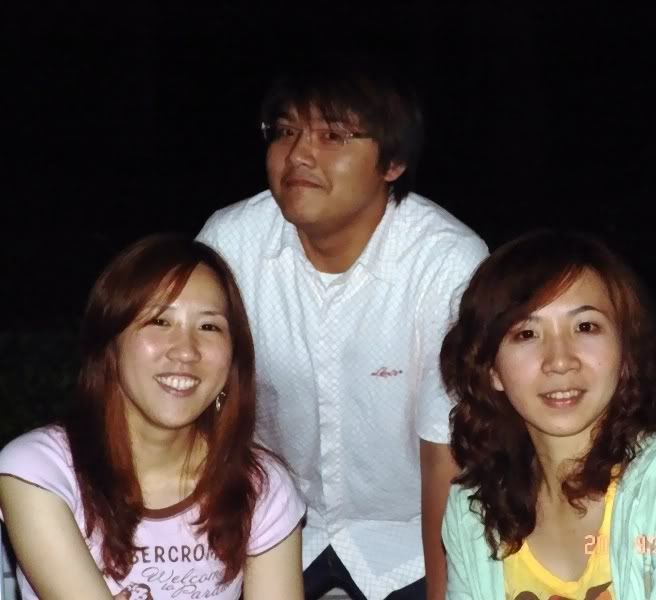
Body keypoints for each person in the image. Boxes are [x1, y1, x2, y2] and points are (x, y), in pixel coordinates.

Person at [197, 57, 488, 600]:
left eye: (333, 136)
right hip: (270, 522)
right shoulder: (231, 242)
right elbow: (194, 407)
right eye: (285, 131)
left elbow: (446, 454)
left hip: (408, 534)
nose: (298, 154)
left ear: (393, 162)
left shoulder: (446, 263)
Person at [439, 230, 656, 600]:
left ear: (624, 351)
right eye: (527, 333)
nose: (559, 361)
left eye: (585, 327)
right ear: (491, 369)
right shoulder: (474, 511)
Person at [0, 235, 306, 599]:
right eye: (160, 321)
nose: (186, 351)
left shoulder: (260, 486)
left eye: (209, 327)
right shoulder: (39, 471)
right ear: (110, 342)